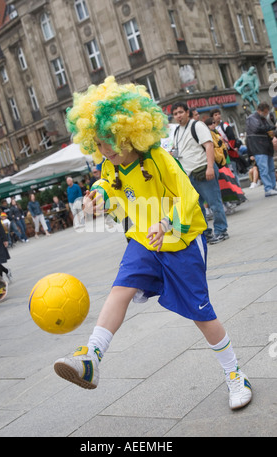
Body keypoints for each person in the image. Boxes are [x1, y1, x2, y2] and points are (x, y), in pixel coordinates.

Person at [54, 76, 252, 411]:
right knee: (121, 289)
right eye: (99, 144)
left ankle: (235, 374)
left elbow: (187, 197)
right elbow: (109, 187)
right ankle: (91, 356)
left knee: (200, 314)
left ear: (131, 132)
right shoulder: (108, 164)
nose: (104, 150)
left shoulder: (159, 158)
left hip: (181, 241)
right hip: (143, 241)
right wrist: (98, 197)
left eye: (110, 142)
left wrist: (167, 221)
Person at [171, 102, 229, 244]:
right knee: (197, 208)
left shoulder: (197, 125)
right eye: (175, 114)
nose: (178, 116)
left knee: (214, 203)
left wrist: (210, 167)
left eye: (180, 112)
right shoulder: (178, 131)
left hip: (203, 170)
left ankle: (221, 230)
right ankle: (206, 233)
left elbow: (208, 145)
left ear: (187, 112)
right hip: (189, 174)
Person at [246, 102, 277, 197]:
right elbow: (257, 128)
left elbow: (266, 128)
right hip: (258, 147)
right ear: (260, 111)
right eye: (266, 112)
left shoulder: (262, 118)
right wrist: (270, 128)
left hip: (266, 146)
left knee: (271, 168)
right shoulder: (252, 118)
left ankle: (272, 186)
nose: (267, 113)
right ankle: (268, 188)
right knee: (264, 169)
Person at [210, 108, 242, 187]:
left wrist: (229, 148)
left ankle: (239, 190)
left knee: (233, 173)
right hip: (220, 155)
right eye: (215, 115)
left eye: (219, 114)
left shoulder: (225, 125)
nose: (218, 116)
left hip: (229, 153)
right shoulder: (213, 129)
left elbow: (232, 138)